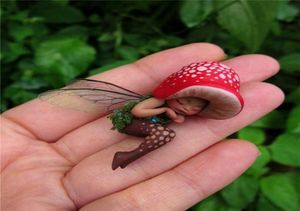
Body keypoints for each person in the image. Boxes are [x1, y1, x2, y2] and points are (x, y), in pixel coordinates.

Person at [1, 43, 284, 210]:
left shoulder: (177, 112)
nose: (189, 109)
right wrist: (164, 110)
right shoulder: (155, 101)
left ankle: (128, 157)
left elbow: (179, 119)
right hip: (131, 123)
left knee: (168, 132)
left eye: (198, 108)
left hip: (150, 127)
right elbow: (138, 111)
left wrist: (175, 116)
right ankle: (127, 156)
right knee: (165, 131)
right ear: (175, 94)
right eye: (187, 101)